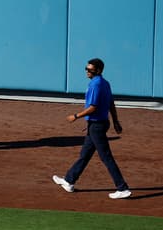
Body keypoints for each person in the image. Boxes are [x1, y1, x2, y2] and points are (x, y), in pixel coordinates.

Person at [53, 58, 131, 199]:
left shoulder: (96, 85)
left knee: (106, 157)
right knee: (85, 154)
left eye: (90, 69)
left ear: (98, 70)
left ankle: (122, 188)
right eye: (86, 69)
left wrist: (76, 116)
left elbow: (93, 107)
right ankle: (69, 180)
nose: (87, 72)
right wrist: (115, 121)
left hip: (97, 126)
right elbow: (111, 103)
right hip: (97, 124)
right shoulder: (105, 83)